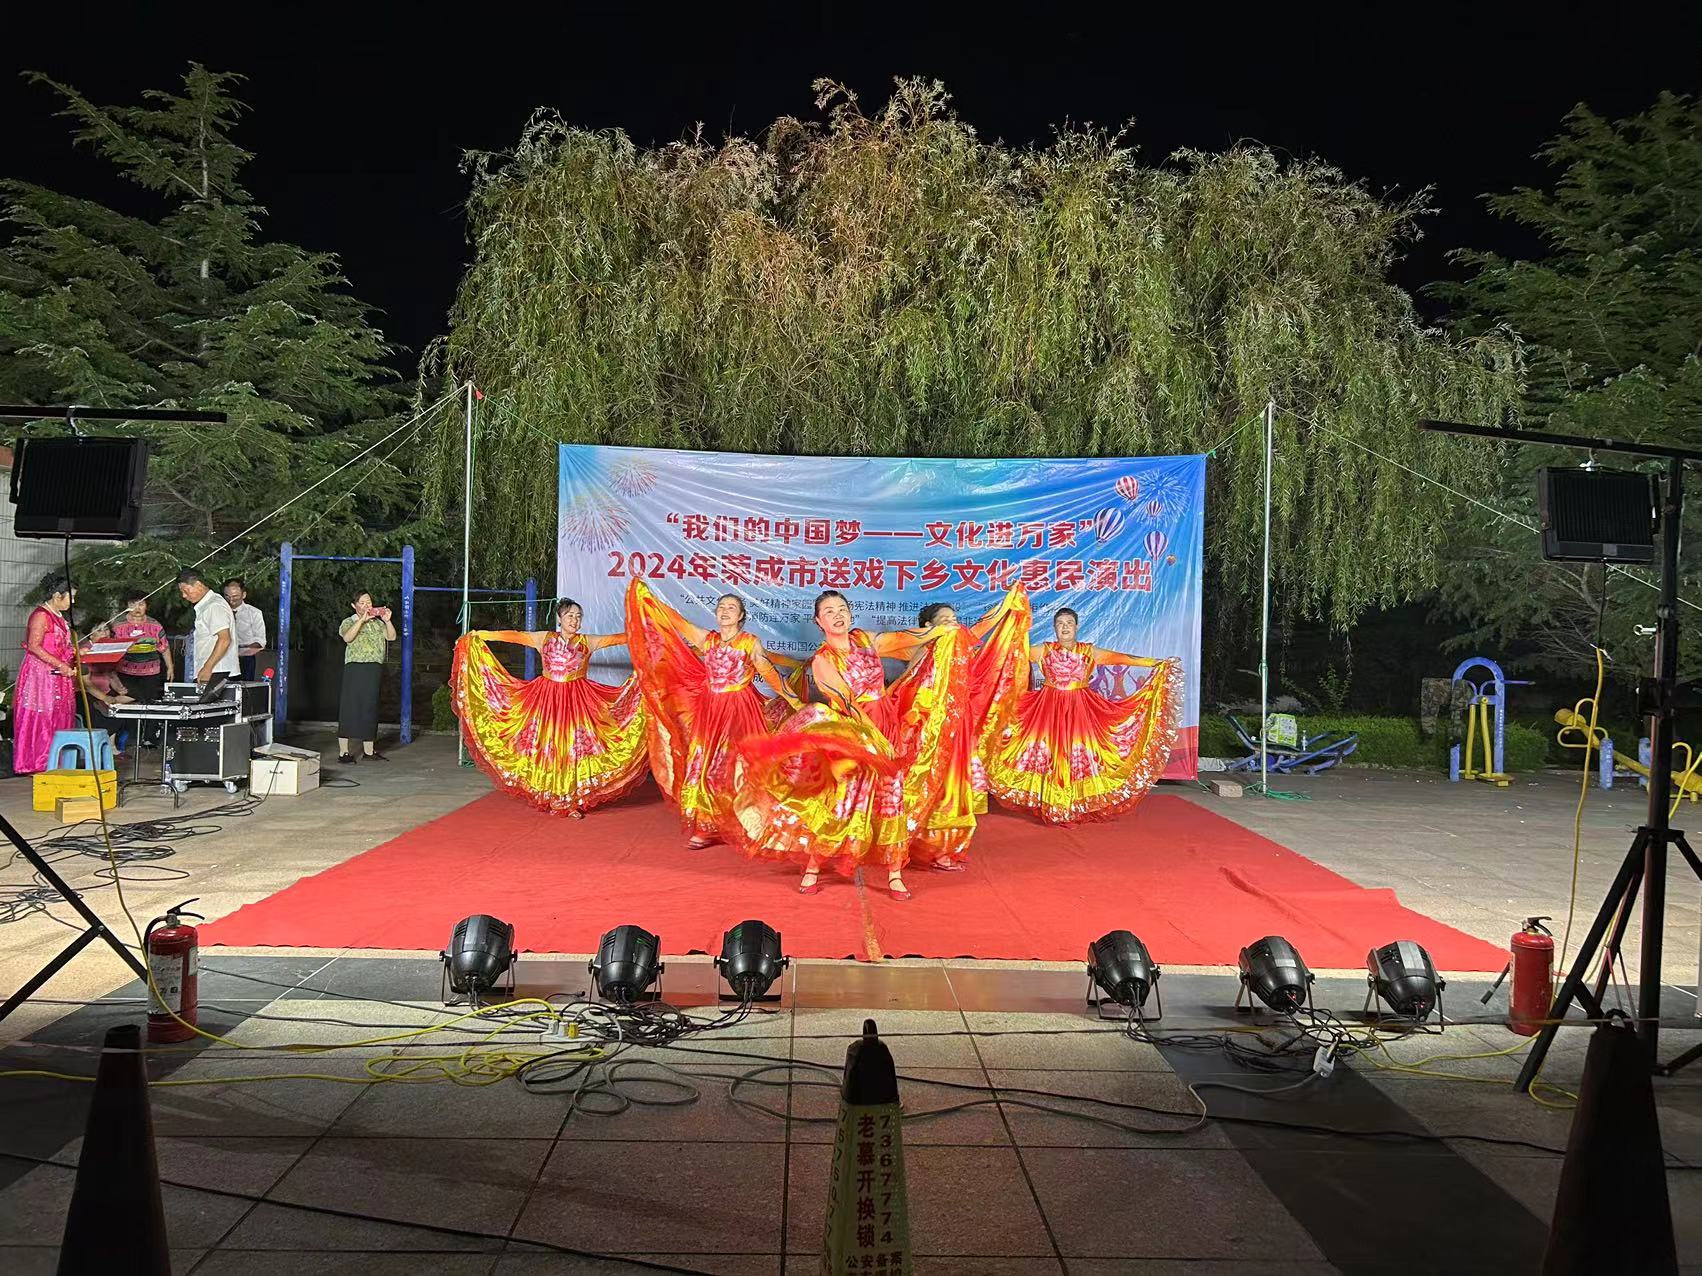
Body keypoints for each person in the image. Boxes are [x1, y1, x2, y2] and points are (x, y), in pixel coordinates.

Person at [730, 588, 1026, 898]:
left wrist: (946, 629)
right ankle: (813, 867)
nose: (837, 615)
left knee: (890, 798)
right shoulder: (822, 660)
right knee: (843, 802)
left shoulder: (865, 639)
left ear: (850, 614)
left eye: (841, 609)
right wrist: (875, 740)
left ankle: (895, 873)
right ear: (819, 621)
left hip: (887, 723)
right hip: (854, 734)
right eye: (829, 611)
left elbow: (907, 638)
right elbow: (848, 703)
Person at [625, 581, 801, 848]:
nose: (725, 611)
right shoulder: (707, 640)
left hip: (739, 710)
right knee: (704, 763)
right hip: (710, 710)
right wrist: (648, 599)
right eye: (721, 607)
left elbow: (770, 674)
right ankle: (706, 825)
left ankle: (751, 823)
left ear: (741, 616)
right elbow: (678, 622)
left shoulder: (749, 642)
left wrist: (794, 701)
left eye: (731, 607)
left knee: (739, 766)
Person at [985, 606, 1182, 825]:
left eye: (1069, 623)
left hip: (1080, 710)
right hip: (1048, 710)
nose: (1065, 627)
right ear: (1054, 628)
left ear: (1077, 626)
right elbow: (1010, 654)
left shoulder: (1089, 651)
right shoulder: (1043, 651)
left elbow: (1121, 659)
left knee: (1077, 755)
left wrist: (1154, 663)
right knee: (1051, 754)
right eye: (1060, 624)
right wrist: (981, 654)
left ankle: (1071, 805)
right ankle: (1054, 805)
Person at [452, 598, 647, 818]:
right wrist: (481, 634)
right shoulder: (544, 638)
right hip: (546, 700)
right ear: (559, 618)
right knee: (548, 747)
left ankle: (570, 800)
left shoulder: (588, 641)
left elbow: (618, 639)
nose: (574, 620)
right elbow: (514, 636)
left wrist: (645, 633)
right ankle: (550, 795)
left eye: (578, 616)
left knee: (572, 749)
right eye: (570, 616)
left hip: (576, 702)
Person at [13, 578, 79, 774]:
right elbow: (34, 646)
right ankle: (37, 762)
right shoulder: (41, 615)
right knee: (42, 716)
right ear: (57, 596)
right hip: (42, 676)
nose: (73, 602)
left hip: (59, 674)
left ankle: (56, 760)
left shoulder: (59, 616)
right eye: (71, 597)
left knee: (59, 715)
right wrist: (61, 665)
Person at [337, 591, 397, 763]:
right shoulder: (349, 621)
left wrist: (387, 620)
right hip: (355, 667)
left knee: (370, 707)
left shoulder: (377, 623)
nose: (366, 605)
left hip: (373, 667)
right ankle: (343, 752)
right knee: (349, 707)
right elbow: (347, 637)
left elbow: (391, 636)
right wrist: (361, 620)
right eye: (362, 602)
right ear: (354, 605)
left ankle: (369, 752)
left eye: (368, 602)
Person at [108, 588, 173, 744]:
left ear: (147, 606)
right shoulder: (117, 625)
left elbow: (164, 647)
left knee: (150, 702)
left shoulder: (155, 625)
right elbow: (110, 649)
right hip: (125, 670)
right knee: (131, 701)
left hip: (151, 670)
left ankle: (149, 738)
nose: (137, 608)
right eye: (133, 604)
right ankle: (130, 737)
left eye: (141, 604)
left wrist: (170, 666)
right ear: (127, 606)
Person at [175, 570, 240, 687]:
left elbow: (224, 639)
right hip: (212, 671)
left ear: (199, 585)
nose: (184, 595)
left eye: (186, 590)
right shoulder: (207, 605)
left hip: (216, 672)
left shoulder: (214, 606)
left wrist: (207, 667)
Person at [222, 578, 267, 681]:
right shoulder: (219, 612)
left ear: (244, 595)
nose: (231, 600)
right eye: (227, 596)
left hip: (245, 659)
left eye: (235, 596)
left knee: (244, 687)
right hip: (222, 657)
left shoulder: (254, 613)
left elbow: (261, 640)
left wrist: (243, 649)